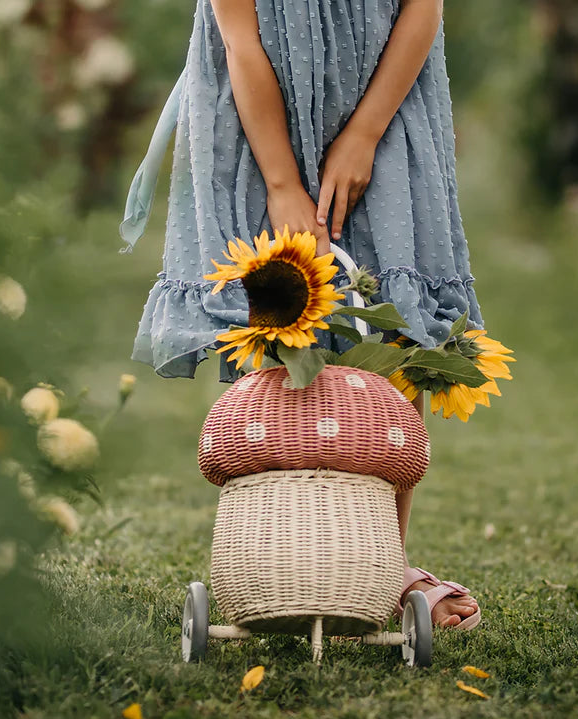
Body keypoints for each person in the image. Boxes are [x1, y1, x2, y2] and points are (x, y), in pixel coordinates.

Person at [121, 0, 481, 629]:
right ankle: (276, 550)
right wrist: (283, 183)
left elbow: (423, 8)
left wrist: (366, 133)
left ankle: (382, 563)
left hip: (384, 96)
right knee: (280, 316)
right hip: (258, 110)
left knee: (391, 321)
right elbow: (242, 41)